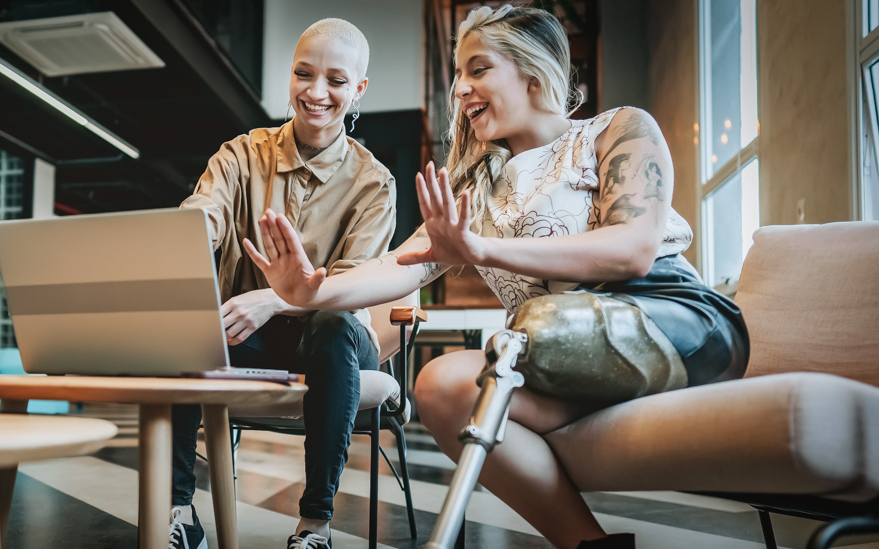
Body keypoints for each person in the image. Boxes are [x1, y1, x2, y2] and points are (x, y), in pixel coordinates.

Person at [241, 6, 749, 549]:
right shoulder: (477, 193)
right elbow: (396, 265)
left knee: (532, 330)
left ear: (533, 73)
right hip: (559, 346)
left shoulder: (615, 129)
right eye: (458, 74)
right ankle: (588, 544)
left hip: (675, 321)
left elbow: (634, 248)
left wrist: (485, 248)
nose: (460, 90)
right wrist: (308, 292)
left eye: (478, 69)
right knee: (440, 386)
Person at [170, 17, 397, 549]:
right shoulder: (241, 155)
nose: (316, 93)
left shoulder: (373, 182)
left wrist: (270, 299)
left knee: (333, 324)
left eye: (336, 81)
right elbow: (202, 216)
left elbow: (352, 284)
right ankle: (179, 513)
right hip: (248, 340)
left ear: (358, 89)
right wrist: (183, 242)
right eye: (304, 74)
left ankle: (314, 526)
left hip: (336, 344)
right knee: (186, 328)